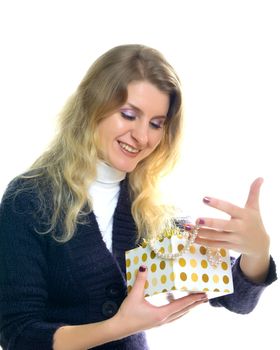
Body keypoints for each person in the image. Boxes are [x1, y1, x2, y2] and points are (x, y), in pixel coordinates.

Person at [0, 44, 277, 350]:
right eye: (129, 115)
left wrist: (258, 251)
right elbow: (18, 334)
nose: (143, 137)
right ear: (92, 106)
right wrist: (115, 328)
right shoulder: (29, 199)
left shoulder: (148, 207)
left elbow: (235, 296)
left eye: (156, 124)